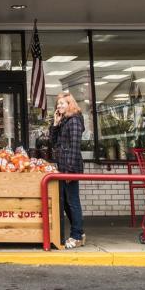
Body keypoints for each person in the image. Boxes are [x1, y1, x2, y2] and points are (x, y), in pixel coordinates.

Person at [49, 91, 85, 249]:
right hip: (62, 168)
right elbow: (53, 142)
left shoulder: (75, 121)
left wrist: (69, 171)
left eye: (62, 103)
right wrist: (55, 124)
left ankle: (77, 236)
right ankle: (79, 233)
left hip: (70, 168)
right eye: (58, 104)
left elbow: (75, 147)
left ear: (70, 104)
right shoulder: (64, 121)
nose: (59, 106)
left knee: (73, 202)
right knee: (65, 202)